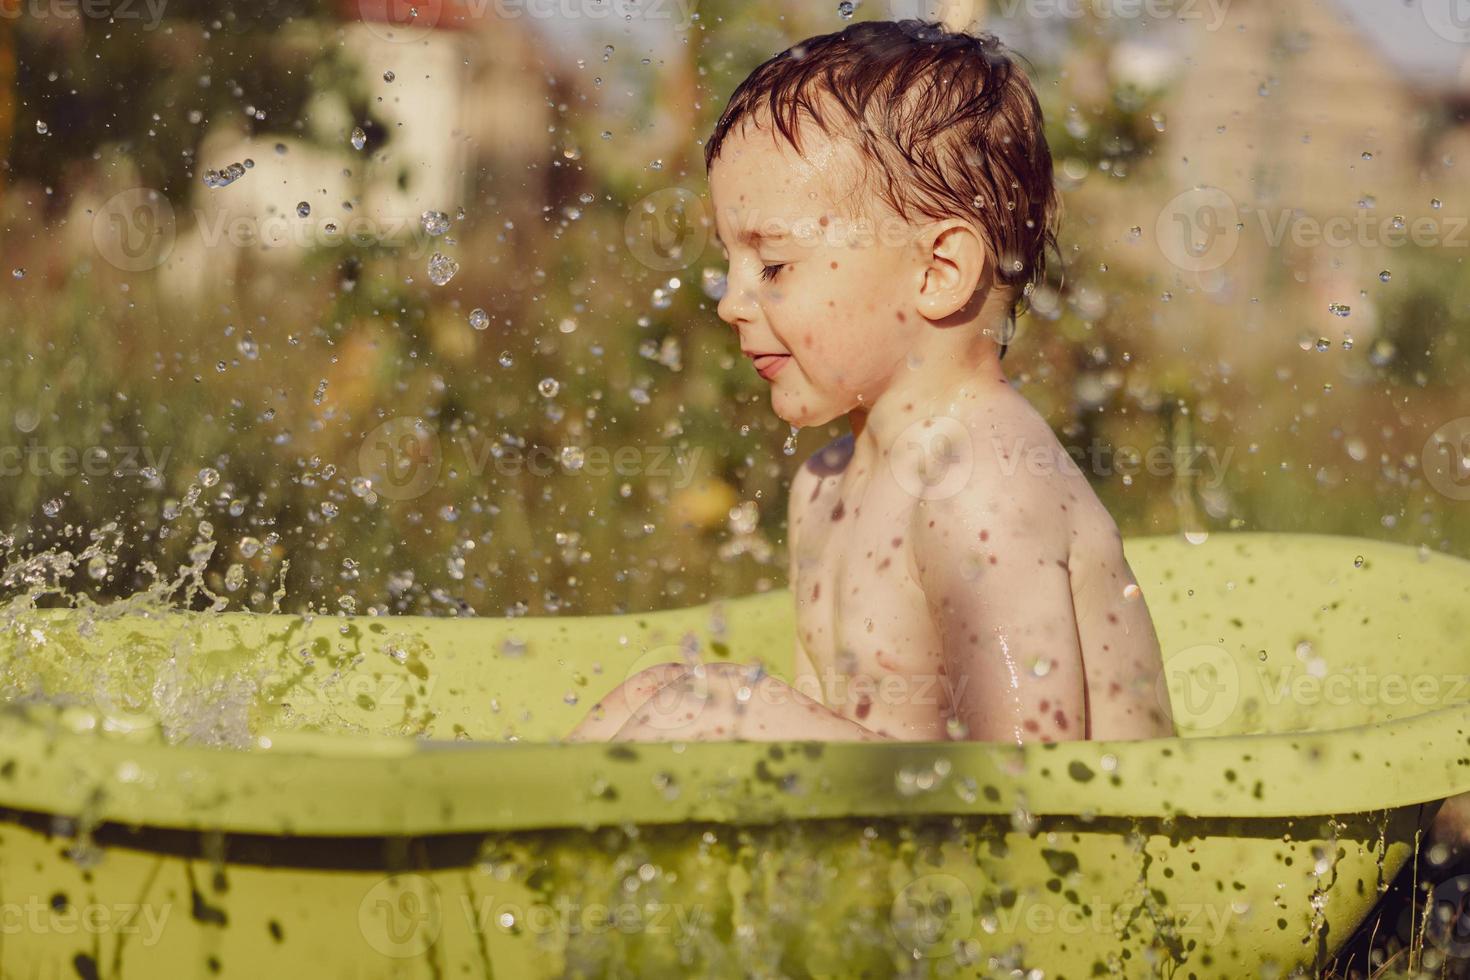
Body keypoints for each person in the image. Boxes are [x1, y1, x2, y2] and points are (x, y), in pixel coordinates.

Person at [568, 17, 1173, 744]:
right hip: (926, 850)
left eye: (774, 265)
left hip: (1093, 854)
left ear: (938, 272)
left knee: (710, 704)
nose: (730, 302)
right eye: (730, 261)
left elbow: (1036, 787)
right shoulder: (825, 487)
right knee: (662, 689)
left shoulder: (983, 490)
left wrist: (739, 711)